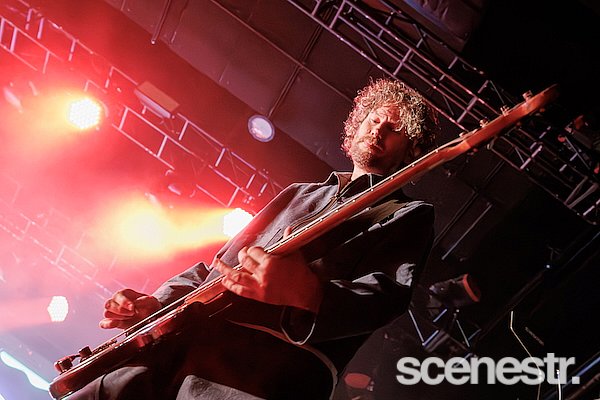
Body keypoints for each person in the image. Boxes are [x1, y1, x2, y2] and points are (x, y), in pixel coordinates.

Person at [66, 78, 437, 399]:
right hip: (180, 347)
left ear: (414, 151)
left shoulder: (408, 214)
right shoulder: (299, 193)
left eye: (394, 129)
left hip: (260, 373)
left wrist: (307, 293)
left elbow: (386, 297)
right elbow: (218, 270)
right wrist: (156, 305)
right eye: (374, 119)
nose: (377, 131)